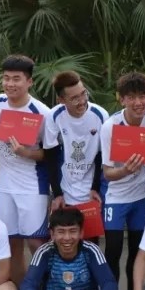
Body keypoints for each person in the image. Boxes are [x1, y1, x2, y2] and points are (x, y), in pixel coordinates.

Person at [99, 72, 145, 290]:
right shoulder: (110, 126)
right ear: (122, 99)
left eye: (143, 96)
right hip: (115, 196)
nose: (138, 102)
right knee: (113, 250)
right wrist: (126, 170)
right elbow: (108, 173)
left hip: (141, 197)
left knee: (139, 251)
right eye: (131, 97)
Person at [0, 55, 52, 290]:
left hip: (32, 186)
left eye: (16, 79)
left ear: (29, 82)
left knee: (37, 243)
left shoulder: (42, 112)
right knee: (10, 244)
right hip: (4, 186)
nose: (10, 84)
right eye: (6, 78)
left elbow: (50, 154)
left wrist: (26, 153)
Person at [43, 71, 108, 222]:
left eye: (83, 94)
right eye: (74, 98)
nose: (82, 101)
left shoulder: (100, 115)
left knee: (92, 233)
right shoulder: (54, 116)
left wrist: (95, 188)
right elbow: (50, 156)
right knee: (67, 232)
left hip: (92, 189)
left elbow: (102, 156)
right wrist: (57, 194)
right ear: (61, 100)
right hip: (65, 189)